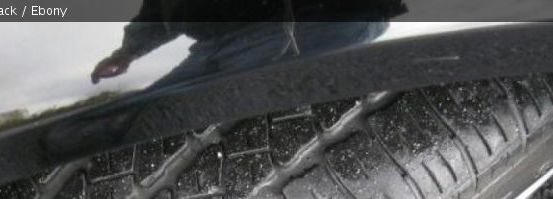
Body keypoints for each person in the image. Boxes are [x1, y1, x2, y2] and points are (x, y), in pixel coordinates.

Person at [91, 0, 407, 88]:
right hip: (229, 44)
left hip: (315, 22)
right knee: (152, 109)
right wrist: (127, 52)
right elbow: (160, 12)